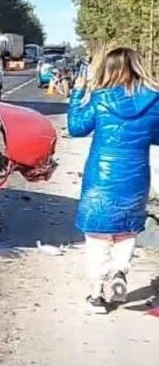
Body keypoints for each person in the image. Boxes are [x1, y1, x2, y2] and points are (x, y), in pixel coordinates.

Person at [68, 43, 159, 313]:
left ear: (108, 69)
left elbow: (75, 128)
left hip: (102, 177)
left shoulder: (101, 98)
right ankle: (120, 271)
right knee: (127, 229)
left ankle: (97, 295)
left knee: (98, 234)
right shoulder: (154, 100)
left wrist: (77, 93)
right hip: (135, 175)